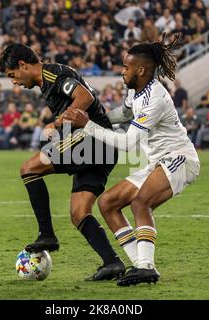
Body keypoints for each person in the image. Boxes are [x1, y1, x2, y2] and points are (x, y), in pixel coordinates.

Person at [64, 34, 200, 286]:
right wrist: (88, 118)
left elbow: (128, 142)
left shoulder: (154, 98)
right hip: (156, 162)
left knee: (140, 203)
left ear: (141, 69)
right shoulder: (136, 92)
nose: (121, 71)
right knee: (108, 203)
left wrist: (89, 126)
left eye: (126, 66)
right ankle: (139, 266)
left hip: (179, 158)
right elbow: (122, 114)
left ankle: (147, 268)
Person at [0, 43, 125, 281]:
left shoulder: (53, 74)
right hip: (103, 147)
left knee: (29, 169)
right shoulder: (47, 81)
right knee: (79, 213)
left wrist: (57, 123)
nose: (13, 82)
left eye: (12, 75)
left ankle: (46, 234)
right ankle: (112, 263)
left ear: (23, 65)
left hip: (93, 140)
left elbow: (84, 97)